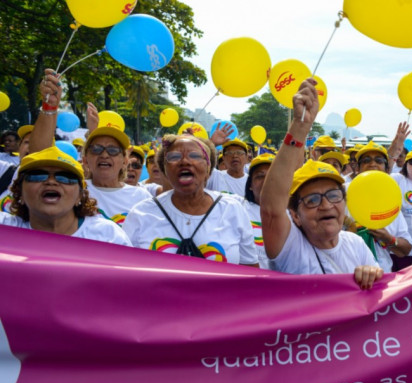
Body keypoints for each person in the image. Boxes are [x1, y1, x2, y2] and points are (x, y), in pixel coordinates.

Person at [260, 79, 383, 289]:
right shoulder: (291, 248)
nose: (326, 206)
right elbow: (271, 209)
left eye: (334, 196)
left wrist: (373, 275)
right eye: (312, 200)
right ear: (295, 215)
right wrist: (300, 127)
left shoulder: (356, 244)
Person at [28, 69, 152, 226]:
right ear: (85, 159)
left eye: (113, 150)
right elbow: (39, 157)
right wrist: (49, 106)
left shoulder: (142, 197)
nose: (104, 155)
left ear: (125, 160)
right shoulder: (74, 189)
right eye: (96, 149)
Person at [123, 134, 258, 266]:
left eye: (194, 156)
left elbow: (250, 273)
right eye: (174, 157)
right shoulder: (141, 214)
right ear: (165, 169)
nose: (185, 162)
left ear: (208, 169)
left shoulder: (232, 210)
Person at [1, 146, 131, 245]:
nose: (51, 182)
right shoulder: (5, 229)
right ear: (20, 193)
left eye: (65, 177)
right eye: (37, 176)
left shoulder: (109, 237)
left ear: (80, 196)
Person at [353, 141, 412, 272]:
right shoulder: (341, 196)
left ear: (386, 169)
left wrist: (388, 238)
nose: (372, 164)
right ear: (357, 168)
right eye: (366, 160)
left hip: (383, 276)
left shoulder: (391, 201)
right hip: (347, 277)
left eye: (379, 160)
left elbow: (405, 250)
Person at [242, 153, 275, 268]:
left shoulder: (295, 214)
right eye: (260, 176)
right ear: (250, 185)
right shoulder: (238, 210)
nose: (266, 181)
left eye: (272, 175)